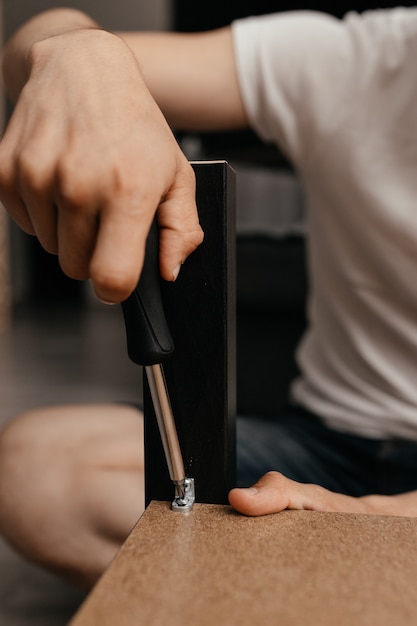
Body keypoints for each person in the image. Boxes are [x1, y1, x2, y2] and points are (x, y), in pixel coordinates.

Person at [1, 5, 417, 588]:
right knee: (36, 471)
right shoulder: (352, 57)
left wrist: (383, 516)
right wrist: (77, 56)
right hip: (325, 446)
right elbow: (25, 46)